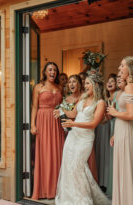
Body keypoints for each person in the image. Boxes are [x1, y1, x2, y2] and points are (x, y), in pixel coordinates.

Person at [55, 73, 111, 205]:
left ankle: (82, 199)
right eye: (85, 83)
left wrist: (73, 124)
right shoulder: (83, 98)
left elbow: (93, 124)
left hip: (85, 138)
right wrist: (61, 110)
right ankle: (69, 198)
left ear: (95, 85)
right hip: (73, 136)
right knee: (69, 166)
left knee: (78, 166)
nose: (85, 86)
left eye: (87, 83)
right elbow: (73, 114)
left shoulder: (100, 103)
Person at [107, 56, 133, 205]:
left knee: (126, 169)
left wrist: (114, 112)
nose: (119, 68)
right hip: (124, 131)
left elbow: (131, 115)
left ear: (129, 69)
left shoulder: (130, 87)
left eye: (121, 66)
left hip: (127, 131)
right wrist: (115, 133)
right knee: (128, 168)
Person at [54, 74, 98, 182]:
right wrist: (60, 112)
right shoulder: (67, 99)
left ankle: (88, 183)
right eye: (69, 82)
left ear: (79, 84)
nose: (71, 84)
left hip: (84, 129)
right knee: (72, 158)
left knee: (84, 159)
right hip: (72, 130)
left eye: (74, 82)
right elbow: (69, 114)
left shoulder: (86, 96)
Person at [30, 62, 65, 200]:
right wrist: (32, 125)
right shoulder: (38, 87)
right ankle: (43, 190)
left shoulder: (60, 87)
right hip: (43, 120)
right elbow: (34, 107)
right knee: (44, 153)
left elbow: (65, 106)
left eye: (55, 70)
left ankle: (56, 190)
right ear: (45, 72)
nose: (53, 72)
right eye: (50, 69)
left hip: (57, 123)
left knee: (57, 153)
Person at [94, 73, 117, 193]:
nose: (109, 83)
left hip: (115, 127)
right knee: (104, 153)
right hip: (104, 127)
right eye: (108, 81)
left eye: (112, 81)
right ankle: (104, 181)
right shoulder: (105, 99)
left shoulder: (118, 98)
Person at [106, 72, 126, 197]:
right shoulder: (111, 98)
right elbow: (110, 116)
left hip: (120, 125)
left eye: (114, 81)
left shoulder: (121, 95)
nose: (110, 83)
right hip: (114, 125)